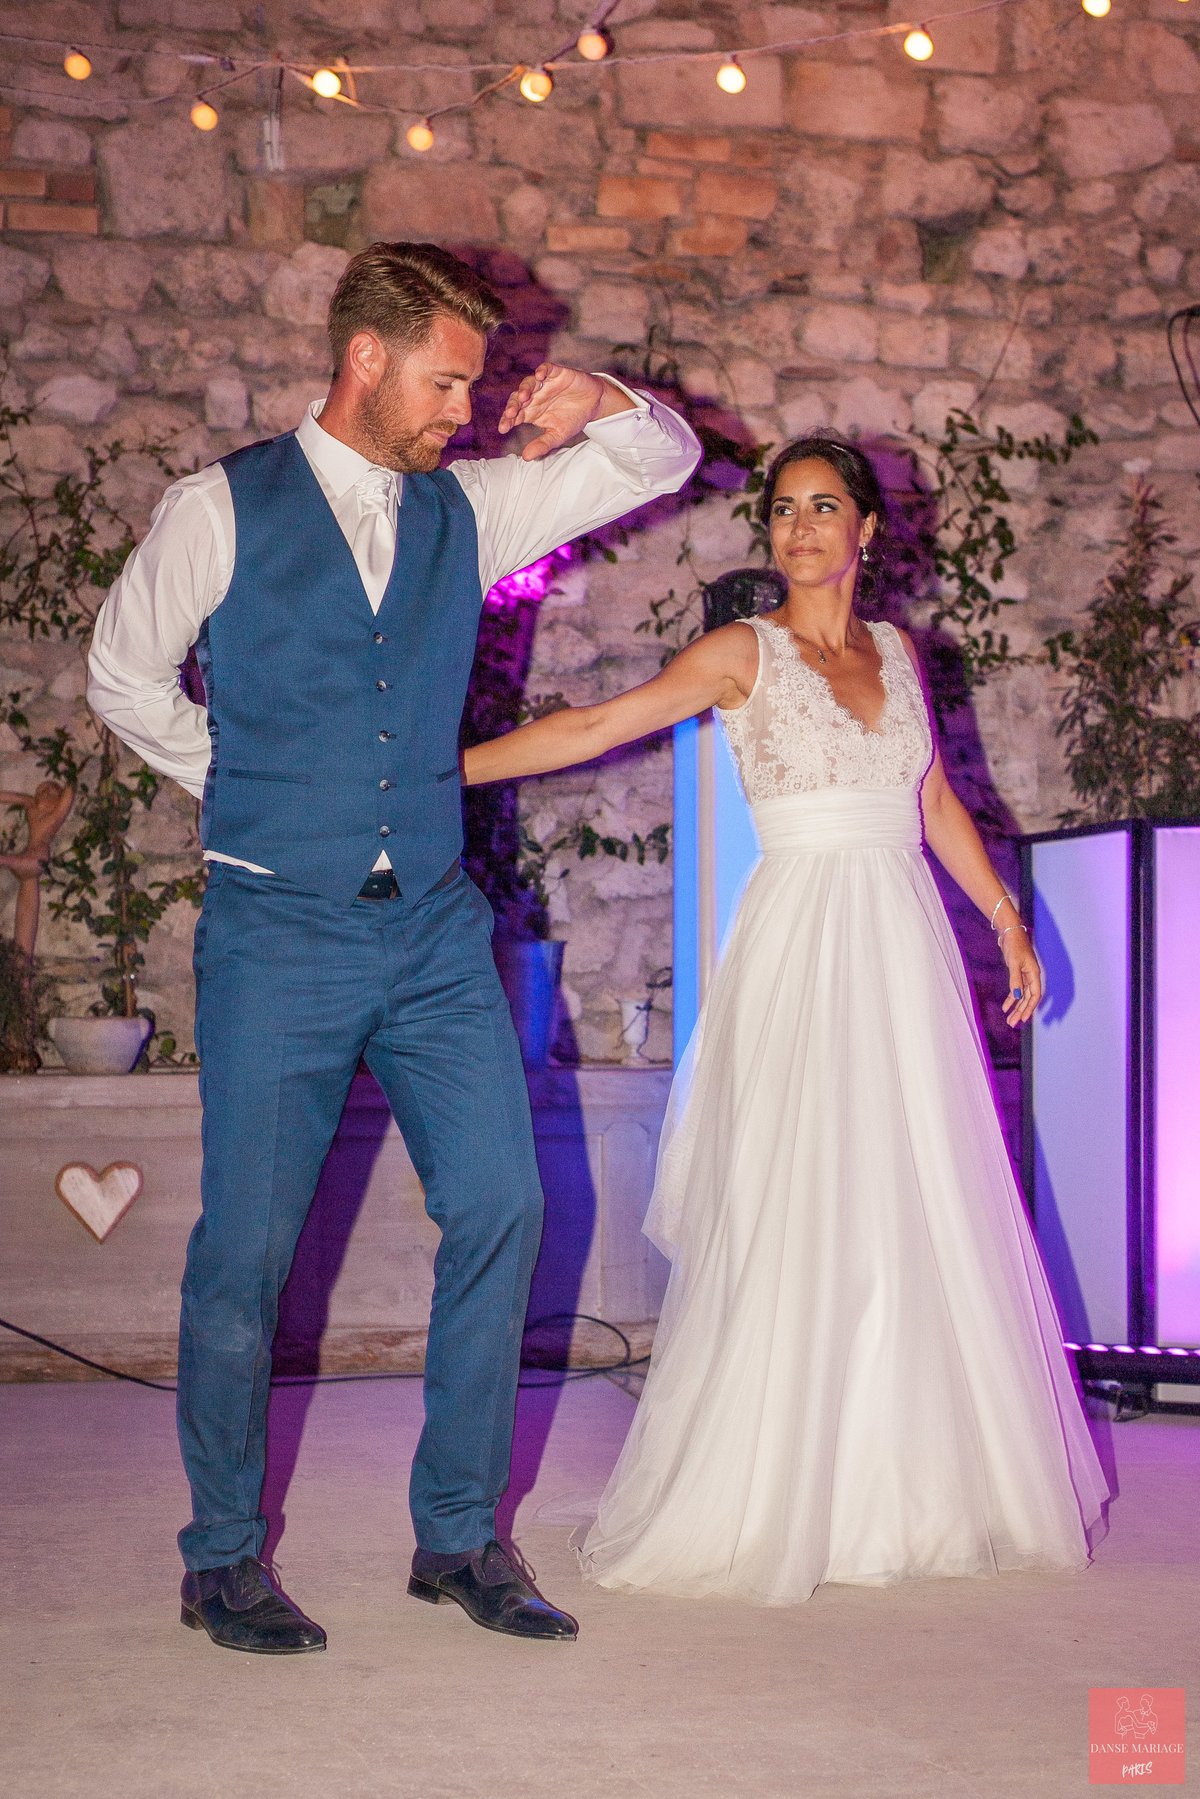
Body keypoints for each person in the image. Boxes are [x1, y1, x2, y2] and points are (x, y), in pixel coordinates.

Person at [87, 240, 700, 1651]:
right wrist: (239, 782)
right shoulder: (218, 507)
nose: (463, 411)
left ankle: (461, 1534)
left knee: (503, 1206)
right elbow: (123, 670)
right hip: (275, 928)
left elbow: (658, 460)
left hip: (430, 931)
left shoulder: (466, 508)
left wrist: (594, 392)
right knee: (247, 1248)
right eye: (445, 380)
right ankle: (223, 1553)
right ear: (364, 359)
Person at [464, 435, 1109, 1604]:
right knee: (802, 1190)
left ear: (867, 529)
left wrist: (1007, 916)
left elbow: (929, 797)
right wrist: (444, 771)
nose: (803, 526)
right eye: (784, 509)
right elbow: (596, 726)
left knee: (916, 1193)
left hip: (902, 939)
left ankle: (911, 1480)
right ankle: (782, 1486)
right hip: (803, 939)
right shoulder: (740, 651)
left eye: (826, 506)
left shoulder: (901, 652)